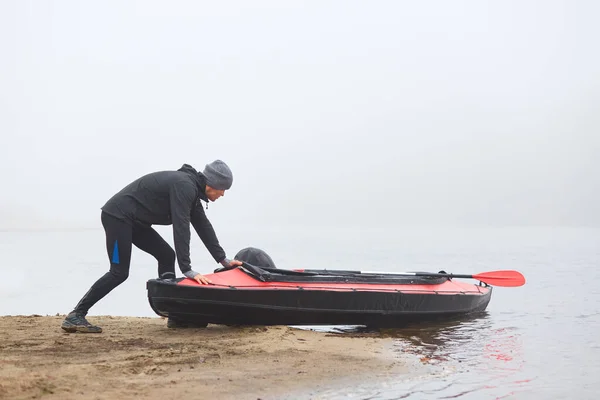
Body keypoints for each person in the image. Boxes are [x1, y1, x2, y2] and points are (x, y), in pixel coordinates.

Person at [61, 160, 242, 333]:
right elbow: (181, 227)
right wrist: (187, 269)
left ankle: (175, 314)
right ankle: (76, 314)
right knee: (119, 272)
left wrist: (223, 259)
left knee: (166, 255)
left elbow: (203, 227)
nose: (223, 194)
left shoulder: (192, 192)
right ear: (212, 183)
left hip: (135, 222)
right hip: (117, 218)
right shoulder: (185, 186)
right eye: (223, 189)